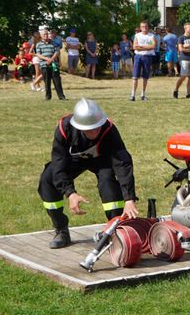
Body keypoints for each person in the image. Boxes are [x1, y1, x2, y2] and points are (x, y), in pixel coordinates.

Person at [38, 99, 139, 249]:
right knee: (47, 179)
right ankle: (61, 230)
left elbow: (122, 163)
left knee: (108, 182)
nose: (95, 132)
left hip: (102, 160)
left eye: (97, 127)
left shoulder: (109, 129)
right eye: (90, 129)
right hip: (72, 160)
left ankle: (115, 231)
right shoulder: (64, 129)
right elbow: (59, 164)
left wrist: (129, 199)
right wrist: (70, 193)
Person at [36, 30, 66, 100]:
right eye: (44, 34)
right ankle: (48, 97)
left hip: (54, 64)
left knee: (57, 81)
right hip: (44, 65)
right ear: (41, 36)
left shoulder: (54, 43)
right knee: (47, 81)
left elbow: (57, 52)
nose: (46, 35)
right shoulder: (38, 44)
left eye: (47, 34)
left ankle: (61, 96)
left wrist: (51, 59)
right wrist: (47, 59)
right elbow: (38, 55)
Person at [130, 21, 155, 101]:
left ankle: (143, 95)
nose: (144, 28)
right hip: (138, 57)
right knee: (135, 77)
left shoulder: (151, 36)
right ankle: (133, 95)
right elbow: (134, 47)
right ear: (140, 28)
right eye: (143, 26)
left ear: (148, 27)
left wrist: (141, 47)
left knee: (145, 77)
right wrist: (147, 47)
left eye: (146, 26)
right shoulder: (137, 35)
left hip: (147, 57)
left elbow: (153, 46)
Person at [174, 23, 190, 99]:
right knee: (183, 76)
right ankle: (176, 89)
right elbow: (181, 49)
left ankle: (188, 94)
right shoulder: (181, 38)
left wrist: (188, 46)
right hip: (184, 59)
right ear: (185, 29)